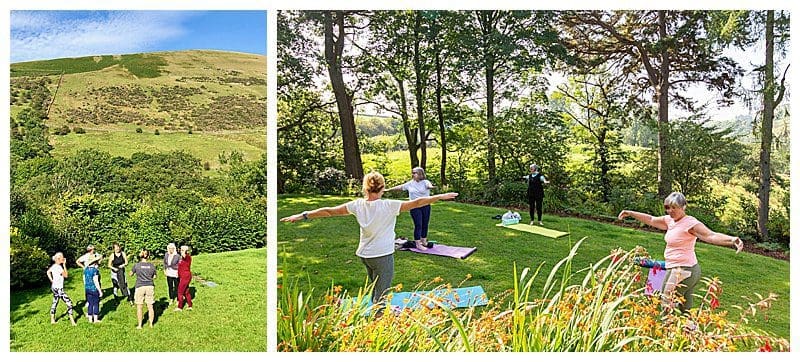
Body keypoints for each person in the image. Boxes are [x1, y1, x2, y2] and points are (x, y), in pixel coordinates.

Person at [281, 171, 458, 313]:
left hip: (365, 255)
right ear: (382, 188)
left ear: (365, 188)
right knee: (382, 290)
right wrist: (440, 196)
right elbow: (418, 202)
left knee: (375, 283)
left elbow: (328, 211)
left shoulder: (357, 205)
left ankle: (376, 304)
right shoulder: (389, 205)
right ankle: (379, 314)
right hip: (382, 255)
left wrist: (303, 215)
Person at [618, 192, 744, 314]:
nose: (670, 211)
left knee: (666, 301)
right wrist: (630, 213)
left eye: (674, 207)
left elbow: (710, 236)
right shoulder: (670, 221)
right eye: (668, 207)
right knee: (685, 310)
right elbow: (651, 219)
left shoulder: (690, 224)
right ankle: (690, 332)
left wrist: (732, 240)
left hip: (683, 270)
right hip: (683, 268)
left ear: (683, 207)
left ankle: (666, 331)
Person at [387, 167, 437, 249]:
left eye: (415, 173)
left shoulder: (425, 182)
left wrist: (431, 187)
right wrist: (388, 189)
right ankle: (418, 243)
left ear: (420, 174)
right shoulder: (410, 183)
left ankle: (423, 241)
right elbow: (400, 187)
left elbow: (429, 185)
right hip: (414, 206)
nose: (413, 174)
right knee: (418, 224)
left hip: (425, 206)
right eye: (413, 173)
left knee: (425, 224)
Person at [47, 252, 77, 326]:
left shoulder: (53, 266)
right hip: (59, 289)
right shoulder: (59, 267)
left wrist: (52, 281)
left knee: (55, 302)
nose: (63, 259)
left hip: (54, 287)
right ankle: (72, 321)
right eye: (62, 258)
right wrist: (64, 265)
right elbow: (66, 275)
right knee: (69, 303)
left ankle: (52, 320)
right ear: (58, 259)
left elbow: (48, 272)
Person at [131, 249, 157, 329]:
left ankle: (140, 325)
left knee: (139, 306)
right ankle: (151, 324)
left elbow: (131, 274)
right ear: (148, 256)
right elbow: (155, 277)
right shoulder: (152, 266)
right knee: (150, 306)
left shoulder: (137, 265)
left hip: (140, 286)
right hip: (150, 286)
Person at [82, 256, 103, 323]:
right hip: (94, 289)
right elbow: (96, 281)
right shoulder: (95, 271)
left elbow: (84, 280)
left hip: (87, 289)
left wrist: (86, 286)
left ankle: (90, 319)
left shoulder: (85, 270)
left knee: (90, 304)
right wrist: (100, 291)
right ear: (94, 263)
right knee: (96, 303)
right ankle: (96, 319)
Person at [175, 245, 193, 311]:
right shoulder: (181, 258)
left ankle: (180, 307)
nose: (181, 251)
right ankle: (190, 305)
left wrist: (184, 252)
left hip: (185, 277)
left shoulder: (188, 257)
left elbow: (185, 255)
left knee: (180, 292)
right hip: (182, 276)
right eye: (181, 250)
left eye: (182, 250)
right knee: (186, 291)